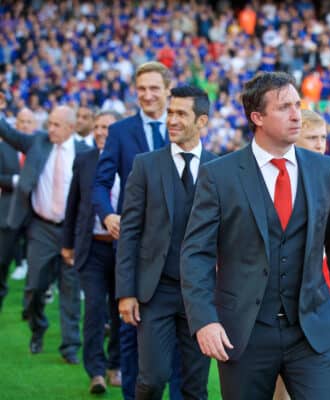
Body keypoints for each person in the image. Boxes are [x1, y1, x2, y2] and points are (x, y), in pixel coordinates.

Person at [180, 71, 330, 400]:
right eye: (284, 108)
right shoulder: (219, 175)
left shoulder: (324, 169)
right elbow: (196, 255)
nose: (296, 115)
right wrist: (204, 320)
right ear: (257, 117)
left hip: (312, 332)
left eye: (297, 105)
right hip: (243, 333)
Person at [116, 85, 215, 400]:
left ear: (202, 122)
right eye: (170, 112)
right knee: (153, 378)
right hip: (155, 291)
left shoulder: (221, 168)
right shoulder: (146, 165)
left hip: (201, 294)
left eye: (181, 114)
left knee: (195, 386)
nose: (171, 119)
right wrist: (126, 292)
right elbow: (130, 231)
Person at [92, 61, 183, 400]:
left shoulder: (183, 129)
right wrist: (108, 215)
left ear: (167, 90)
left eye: (154, 88)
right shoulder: (119, 131)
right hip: (134, 248)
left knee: (179, 337)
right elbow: (100, 184)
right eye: (141, 88)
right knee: (130, 333)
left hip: (176, 251)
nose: (147, 95)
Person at [272, 109, 330, 400]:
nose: (320, 144)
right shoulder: (275, 173)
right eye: (312, 138)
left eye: (323, 138)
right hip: (280, 296)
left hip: (323, 296)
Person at [0, 95, 88, 363]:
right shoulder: (37, 141)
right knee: (35, 286)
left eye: (56, 125)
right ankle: (38, 329)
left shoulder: (84, 152)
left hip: (71, 231)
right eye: (49, 123)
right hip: (41, 228)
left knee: (71, 290)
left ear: (71, 128)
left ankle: (70, 346)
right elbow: (9, 133)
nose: (50, 129)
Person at [62, 110, 122, 394]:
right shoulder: (84, 159)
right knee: (95, 310)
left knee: (120, 310)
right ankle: (96, 371)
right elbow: (73, 204)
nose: (100, 131)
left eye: (107, 127)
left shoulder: (130, 158)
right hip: (92, 248)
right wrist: (67, 243)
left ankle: (116, 365)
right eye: (97, 126)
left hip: (123, 251)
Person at [0, 108, 38, 310]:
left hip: (35, 215)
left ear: (35, 125)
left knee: (37, 268)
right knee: (2, 264)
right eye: (21, 121)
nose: (24, 125)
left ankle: (32, 307)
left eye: (28, 122)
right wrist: (17, 181)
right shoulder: (3, 147)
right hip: (7, 213)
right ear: (16, 126)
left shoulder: (40, 148)